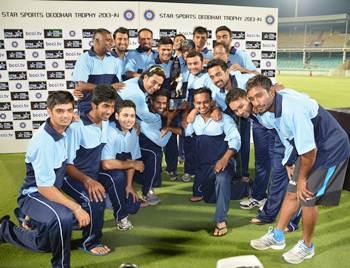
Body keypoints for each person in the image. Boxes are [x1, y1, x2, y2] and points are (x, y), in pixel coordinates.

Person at [247, 75, 350, 264]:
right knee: (291, 192)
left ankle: (307, 246)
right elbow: (287, 135)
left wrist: (302, 180)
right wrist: (289, 161)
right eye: (251, 99)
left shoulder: (292, 111)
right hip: (309, 148)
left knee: (307, 197)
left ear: (271, 92)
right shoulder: (270, 109)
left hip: (330, 148)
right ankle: (278, 236)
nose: (255, 102)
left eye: (259, 96)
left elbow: (310, 151)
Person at [0, 91, 88, 268]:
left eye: (69, 110)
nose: (65, 115)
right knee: (62, 218)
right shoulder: (43, 142)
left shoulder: (66, 127)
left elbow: (80, 119)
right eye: (59, 111)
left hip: (51, 191)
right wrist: (76, 207)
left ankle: (28, 220)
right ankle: (5, 230)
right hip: (35, 194)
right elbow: (44, 188)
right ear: (49, 112)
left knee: (50, 240)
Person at [225, 88, 299, 227]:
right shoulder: (255, 113)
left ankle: (290, 221)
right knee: (278, 175)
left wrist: (290, 160)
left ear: (248, 98)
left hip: (299, 140)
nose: (240, 112)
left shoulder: (267, 109)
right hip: (282, 138)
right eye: (236, 111)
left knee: (290, 178)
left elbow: (291, 134)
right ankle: (270, 214)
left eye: (241, 106)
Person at [63, 84, 117, 257]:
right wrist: (88, 181)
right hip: (71, 177)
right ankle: (90, 242)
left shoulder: (106, 122)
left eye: (112, 106)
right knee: (96, 200)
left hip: (93, 175)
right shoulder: (76, 127)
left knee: (118, 181)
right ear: (94, 105)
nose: (109, 111)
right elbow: (67, 165)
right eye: (105, 106)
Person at [185, 88, 241, 236]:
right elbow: (186, 134)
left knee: (222, 179)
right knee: (209, 198)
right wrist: (191, 114)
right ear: (194, 104)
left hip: (223, 162)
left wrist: (224, 159)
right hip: (203, 167)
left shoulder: (224, 119)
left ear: (212, 102)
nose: (202, 106)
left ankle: (221, 220)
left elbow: (235, 139)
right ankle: (244, 188)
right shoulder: (193, 119)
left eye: (205, 102)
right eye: (198, 103)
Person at [206, 59, 254, 190]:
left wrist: (276, 87)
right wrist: (215, 109)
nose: (216, 79)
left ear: (227, 71)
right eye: (212, 77)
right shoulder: (215, 90)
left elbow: (269, 84)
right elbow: (213, 103)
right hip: (234, 115)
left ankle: (247, 178)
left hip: (256, 114)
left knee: (256, 146)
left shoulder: (245, 80)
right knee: (234, 141)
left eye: (219, 74)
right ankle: (237, 174)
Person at [99, 100, 144, 231]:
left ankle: (110, 199)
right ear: (117, 116)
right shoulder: (109, 131)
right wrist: (133, 164)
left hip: (118, 171)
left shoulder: (134, 132)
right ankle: (121, 217)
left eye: (132, 116)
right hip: (97, 172)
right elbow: (106, 164)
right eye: (125, 115)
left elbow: (132, 160)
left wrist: (129, 186)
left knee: (133, 206)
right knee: (117, 177)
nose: (129, 119)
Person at [134, 89, 175, 205]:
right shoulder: (142, 113)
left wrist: (169, 124)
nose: (162, 106)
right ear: (151, 101)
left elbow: (162, 139)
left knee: (156, 156)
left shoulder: (166, 114)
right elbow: (160, 140)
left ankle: (147, 183)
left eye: (164, 103)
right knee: (155, 155)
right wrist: (138, 122)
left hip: (151, 146)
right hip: (135, 146)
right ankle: (147, 192)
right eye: (158, 103)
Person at [72, 28, 124, 114]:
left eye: (112, 40)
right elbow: (82, 85)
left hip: (109, 108)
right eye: (108, 40)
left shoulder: (115, 60)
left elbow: (118, 86)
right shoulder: (84, 58)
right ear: (96, 41)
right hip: (88, 107)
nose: (112, 43)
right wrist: (109, 87)